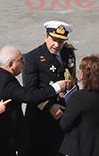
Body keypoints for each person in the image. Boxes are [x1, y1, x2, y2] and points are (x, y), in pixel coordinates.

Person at [0, 46, 72, 156]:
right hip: (1, 142)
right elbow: (29, 96)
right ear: (11, 64)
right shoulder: (7, 82)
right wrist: (55, 88)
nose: (24, 62)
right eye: (21, 60)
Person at [22, 22, 78, 156]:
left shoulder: (67, 53)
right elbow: (30, 91)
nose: (57, 45)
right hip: (40, 119)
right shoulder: (32, 59)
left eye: (61, 41)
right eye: (54, 40)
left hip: (62, 117)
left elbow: (72, 80)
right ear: (45, 37)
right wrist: (49, 107)